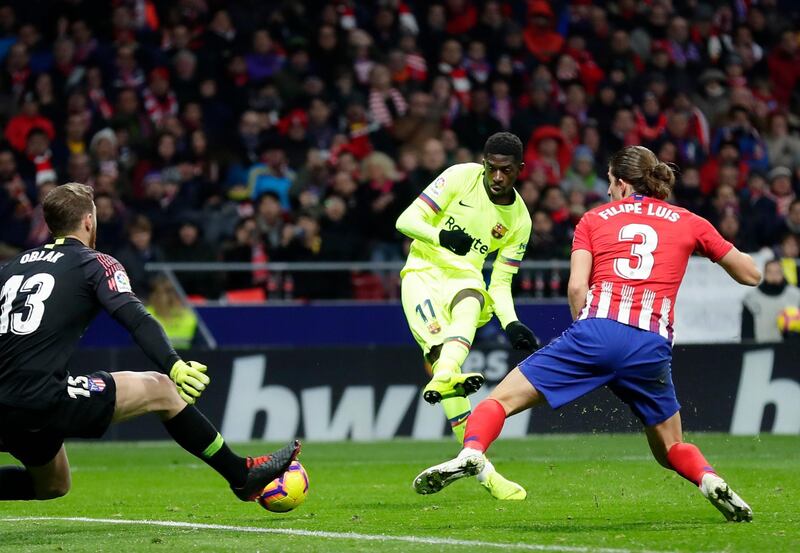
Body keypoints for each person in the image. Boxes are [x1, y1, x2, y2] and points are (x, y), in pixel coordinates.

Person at [412, 145, 760, 523]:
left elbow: (577, 288)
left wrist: (587, 340)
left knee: (500, 401)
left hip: (595, 332)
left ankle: (472, 453)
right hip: (650, 345)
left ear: (623, 184)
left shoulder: (594, 219)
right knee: (671, 446)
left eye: (611, 184)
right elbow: (751, 275)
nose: (609, 192)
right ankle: (708, 478)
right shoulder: (689, 221)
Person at [0, 183, 299, 502]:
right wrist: (174, 365)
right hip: (41, 398)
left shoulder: (13, 266)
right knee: (161, 388)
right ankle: (241, 475)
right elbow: (136, 318)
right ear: (89, 221)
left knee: (53, 485)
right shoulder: (96, 262)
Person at [395, 132, 538, 500]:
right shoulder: (460, 176)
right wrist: (442, 237)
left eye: (505, 171)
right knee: (442, 359)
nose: (496, 177)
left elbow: (501, 283)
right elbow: (406, 220)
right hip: (422, 276)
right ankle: (488, 476)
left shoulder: (519, 220)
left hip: (463, 278)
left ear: (520, 170)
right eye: (491, 168)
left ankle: (444, 377)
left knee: (476, 297)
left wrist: (511, 323)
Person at [741, 259, 800, 343]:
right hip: (761, 351)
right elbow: (746, 334)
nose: (774, 276)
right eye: (770, 272)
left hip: (791, 352)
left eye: (777, 272)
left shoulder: (796, 296)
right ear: (764, 274)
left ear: (783, 273)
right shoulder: (751, 299)